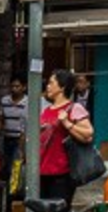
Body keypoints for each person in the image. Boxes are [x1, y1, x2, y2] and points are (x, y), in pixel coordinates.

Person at [37, 68, 94, 204]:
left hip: (62, 172)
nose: (47, 86)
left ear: (62, 87)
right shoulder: (46, 110)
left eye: (51, 83)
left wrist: (67, 123)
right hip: (42, 170)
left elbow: (88, 133)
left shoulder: (73, 108)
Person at [0, 78, 28, 178]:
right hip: (6, 136)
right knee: (5, 163)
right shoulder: (5, 100)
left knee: (15, 164)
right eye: (12, 86)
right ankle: (7, 187)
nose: (14, 89)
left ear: (24, 87)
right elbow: (0, 120)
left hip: (19, 138)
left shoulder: (27, 102)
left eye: (17, 86)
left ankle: (13, 190)